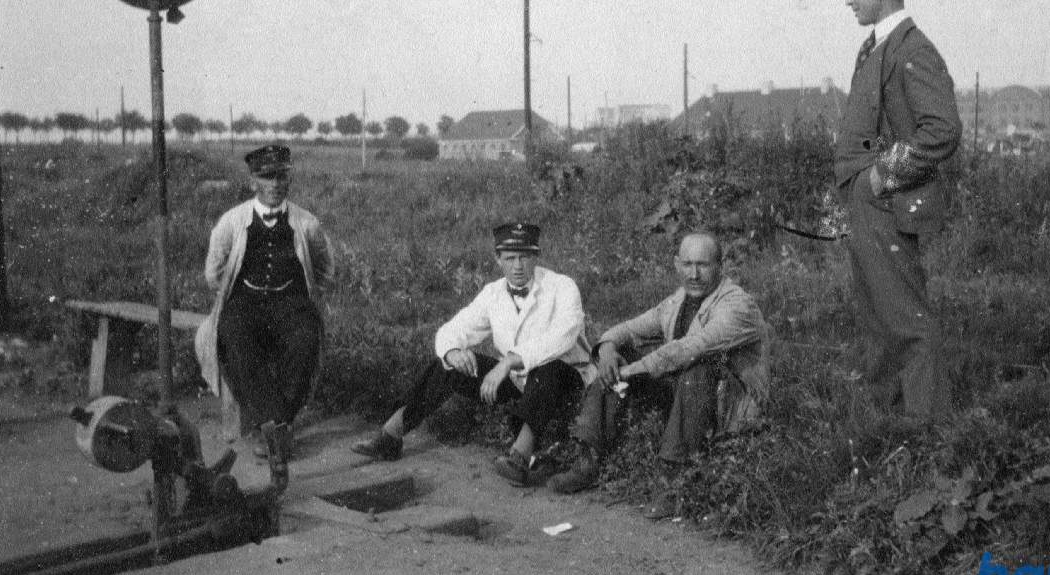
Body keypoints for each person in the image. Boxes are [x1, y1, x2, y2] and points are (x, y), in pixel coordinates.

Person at [351, 222, 591, 485]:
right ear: (498, 259)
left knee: (550, 368)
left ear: (536, 256)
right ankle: (390, 436)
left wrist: (508, 361)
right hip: (517, 381)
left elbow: (563, 337)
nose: (518, 266)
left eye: (525, 257)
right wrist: (453, 352)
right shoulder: (493, 293)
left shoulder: (562, 286)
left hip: (565, 378)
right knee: (447, 365)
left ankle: (520, 457)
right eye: (510, 258)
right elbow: (453, 328)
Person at [548, 232, 768, 516]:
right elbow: (629, 328)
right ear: (676, 265)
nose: (695, 274)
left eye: (703, 265)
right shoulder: (679, 300)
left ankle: (674, 479)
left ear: (720, 266)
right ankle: (588, 458)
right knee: (617, 358)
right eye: (687, 264)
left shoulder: (737, 305)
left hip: (731, 408)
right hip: (688, 399)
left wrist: (627, 371)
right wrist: (606, 352)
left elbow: (687, 349)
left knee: (697, 366)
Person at [831, 0, 961, 418]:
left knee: (906, 320)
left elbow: (942, 130)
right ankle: (891, 422)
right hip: (868, 205)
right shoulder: (877, 45)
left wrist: (881, 177)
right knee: (879, 319)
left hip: (888, 203)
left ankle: (928, 427)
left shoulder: (912, 49)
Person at [194, 143, 333, 486]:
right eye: (266, 177)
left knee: (305, 340)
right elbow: (213, 273)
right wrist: (238, 293)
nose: (274, 184)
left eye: (281, 176)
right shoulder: (232, 222)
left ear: (290, 179)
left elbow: (326, 268)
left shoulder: (306, 222)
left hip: (290, 301)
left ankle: (272, 426)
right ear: (253, 180)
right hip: (247, 301)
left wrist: (301, 292)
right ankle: (275, 429)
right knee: (234, 338)